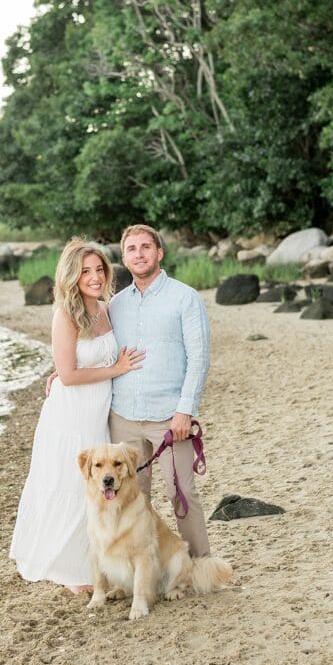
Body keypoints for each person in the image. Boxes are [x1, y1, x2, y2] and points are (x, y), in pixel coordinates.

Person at [9, 238, 144, 594]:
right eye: (86, 271)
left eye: (99, 269)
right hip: (70, 414)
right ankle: (72, 569)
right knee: (70, 487)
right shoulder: (66, 315)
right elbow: (68, 376)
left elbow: (84, 362)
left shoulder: (107, 309)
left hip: (99, 412)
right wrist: (115, 368)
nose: (95, 277)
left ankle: (98, 563)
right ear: (72, 276)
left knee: (97, 490)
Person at [109, 224, 212, 558]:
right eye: (132, 249)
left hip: (170, 417)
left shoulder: (185, 297)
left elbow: (199, 357)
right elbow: (98, 350)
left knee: (181, 494)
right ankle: (140, 570)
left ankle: (200, 566)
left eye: (146, 247)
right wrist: (60, 371)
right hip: (123, 417)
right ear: (124, 258)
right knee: (129, 499)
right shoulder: (115, 305)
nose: (139, 254)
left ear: (159, 253)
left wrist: (185, 411)